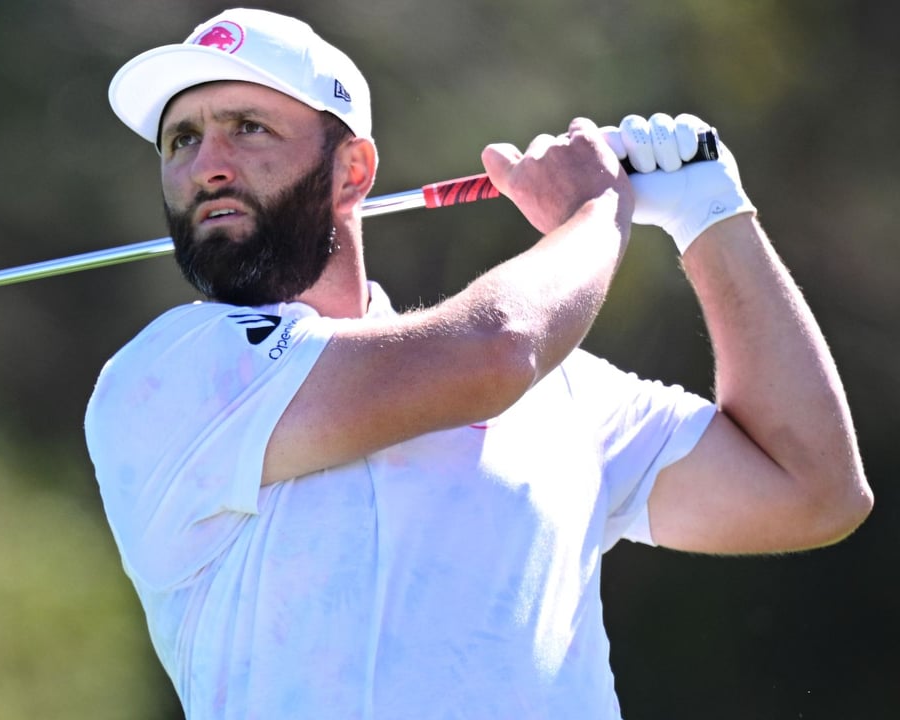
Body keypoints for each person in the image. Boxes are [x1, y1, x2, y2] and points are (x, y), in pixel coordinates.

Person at [84, 8, 872, 718]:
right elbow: (496, 351)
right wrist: (597, 210)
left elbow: (812, 490)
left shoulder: (564, 394)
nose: (207, 165)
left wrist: (714, 220)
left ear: (352, 172)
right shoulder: (167, 378)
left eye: (248, 128)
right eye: (182, 140)